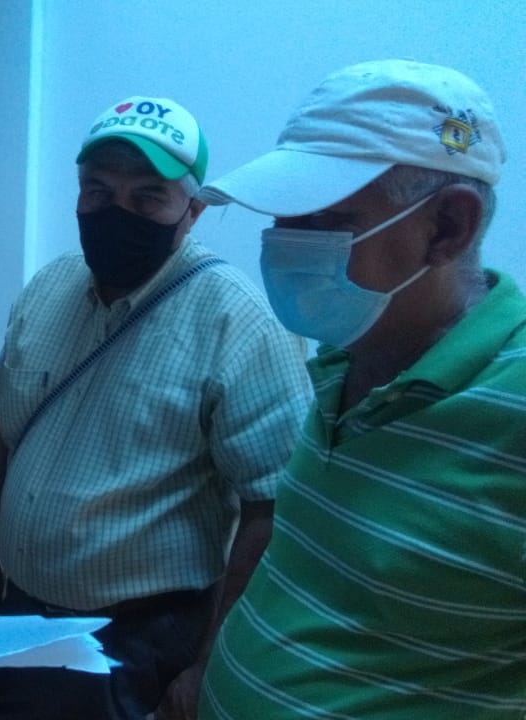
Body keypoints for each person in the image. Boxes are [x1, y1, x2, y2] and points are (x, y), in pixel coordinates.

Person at [0, 95, 312, 720]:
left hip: (143, 641)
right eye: (98, 190)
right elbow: (1, 428)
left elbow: (271, 510)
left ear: (192, 212)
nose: (117, 212)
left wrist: (212, 661)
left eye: (148, 197)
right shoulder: (49, 287)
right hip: (19, 614)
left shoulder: (239, 322)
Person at [196, 59, 526, 718]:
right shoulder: (343, 357)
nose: (285, 247)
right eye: (284, 218)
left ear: (448, 227)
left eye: (323, 221)